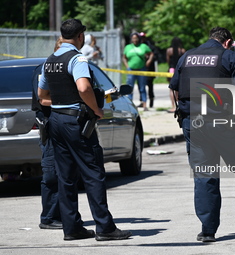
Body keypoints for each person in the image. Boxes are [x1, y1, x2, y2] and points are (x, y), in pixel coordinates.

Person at [38, 18, 131, 241]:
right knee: (93, 174)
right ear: (80, 36)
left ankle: (71, 228)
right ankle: (105, 228)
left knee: (66, 177)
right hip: (75, 123)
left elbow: (42, 97)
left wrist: (61, 104)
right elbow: (84, 87)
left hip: (57, 122)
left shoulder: (49, 60)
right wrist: (96, 109)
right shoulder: (77, 58)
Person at [169, 27, 235, 242]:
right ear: (227, 42)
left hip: (193, 123)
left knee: (204, 175)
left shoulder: (186, 57)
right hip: (222, 121)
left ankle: (207, 229)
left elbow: (174, 89)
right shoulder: (229, 56)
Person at [31, 37, 63, 230]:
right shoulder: (44, 69)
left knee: (65, 173)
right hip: (50, 126)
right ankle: (49, 217)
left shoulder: (67, 68)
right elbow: (42, 99)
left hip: (63, 126)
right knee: (51, 174)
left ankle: (62, 215)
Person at [123, 32, 154, 111]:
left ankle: (144, 105)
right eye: (133, 38)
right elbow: (124, 57)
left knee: (142, 87)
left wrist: (148, 62)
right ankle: (130, 104)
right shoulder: (128, 47)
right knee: (130, 87)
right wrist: (127, 66)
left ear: (139, 39)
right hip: (131, 70)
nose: (135, 39)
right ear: (131, 39)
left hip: (141, 69)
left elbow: (151, 54)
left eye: (136, 38)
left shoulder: (143, 46)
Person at [166, 37, 185, 113]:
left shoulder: (169, 51)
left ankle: (173, 106)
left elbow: (167, 61)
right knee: (180, 88)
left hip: (171, 69)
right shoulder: (182, 51)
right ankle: (179, 105)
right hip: (180, 69)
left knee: (171, 89)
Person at [140, 32, 158, 108]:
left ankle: (151, 99)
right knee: (141, 86)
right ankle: (142, 101)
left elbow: (156, 56)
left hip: (149, 69)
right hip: (140, 69)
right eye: (140, 38)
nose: (142, 39)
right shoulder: (138, 47)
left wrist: (149, 58)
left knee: (150, 86)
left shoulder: (150, 47)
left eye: (143, 38)